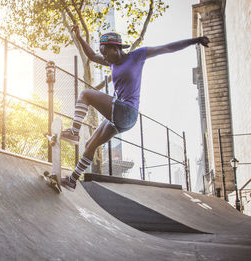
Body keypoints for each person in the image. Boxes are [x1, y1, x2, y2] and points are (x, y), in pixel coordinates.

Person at [60, 24, 210, 191]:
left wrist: (195, 40)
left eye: (106, 53)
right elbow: (92, 56)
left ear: (116, 48)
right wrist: (80, 37)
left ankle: (74, 132)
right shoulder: (111, 62)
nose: (105, 58)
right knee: (90, 144)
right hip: (119, 118)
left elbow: (167, 48)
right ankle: (72, 180)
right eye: (103, 54)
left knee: (86, 94)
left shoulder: (137, 56)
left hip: (127, 111)